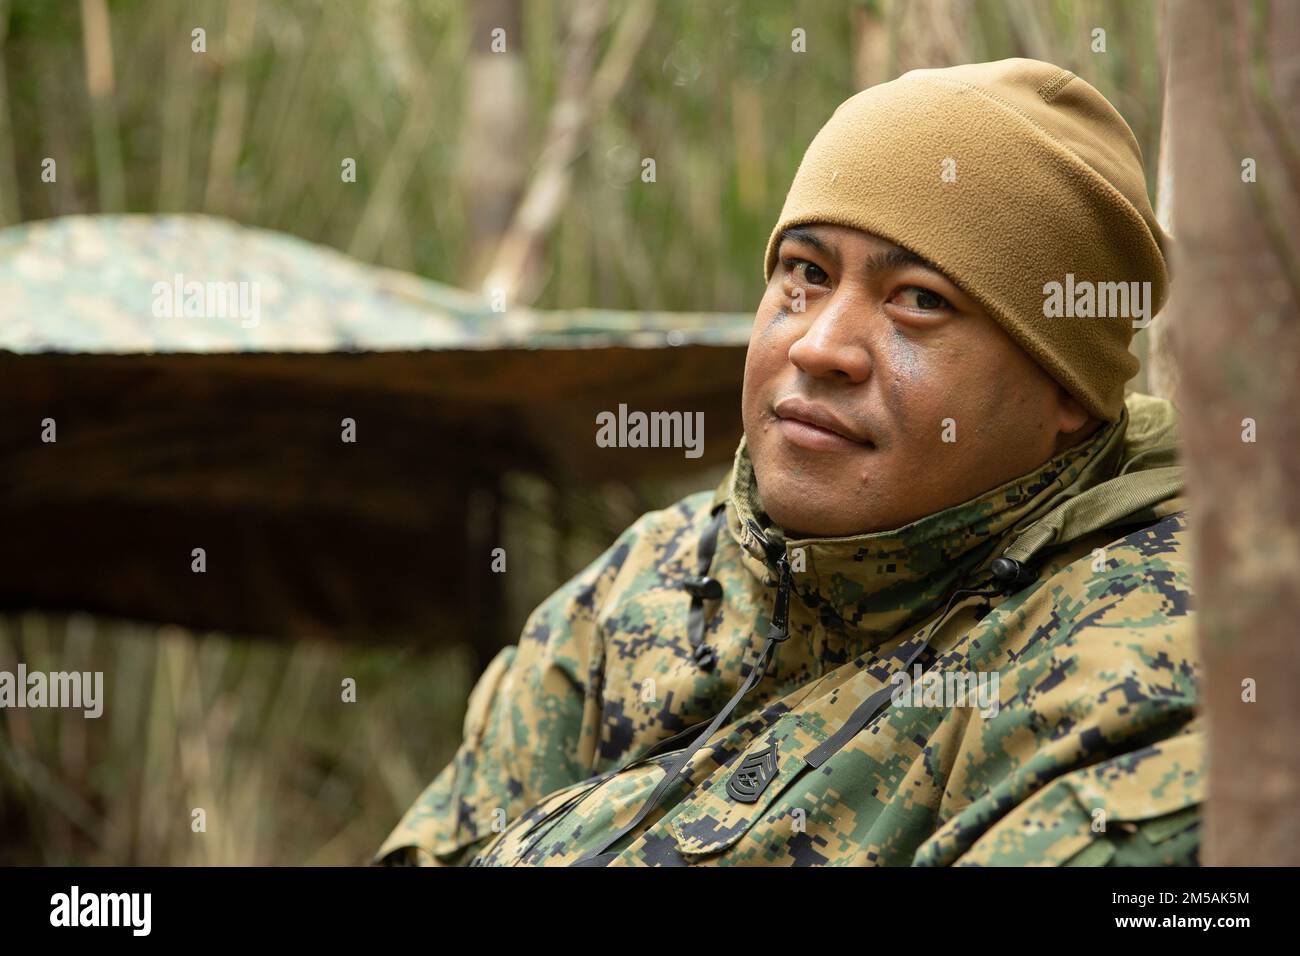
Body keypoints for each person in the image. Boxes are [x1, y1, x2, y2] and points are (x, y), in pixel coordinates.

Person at [376, 58, 1200, 867]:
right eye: (805, 274)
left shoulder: (1137, 656)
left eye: (920, 299)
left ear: (1068, 391)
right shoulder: (648, 584)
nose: (820, 345)